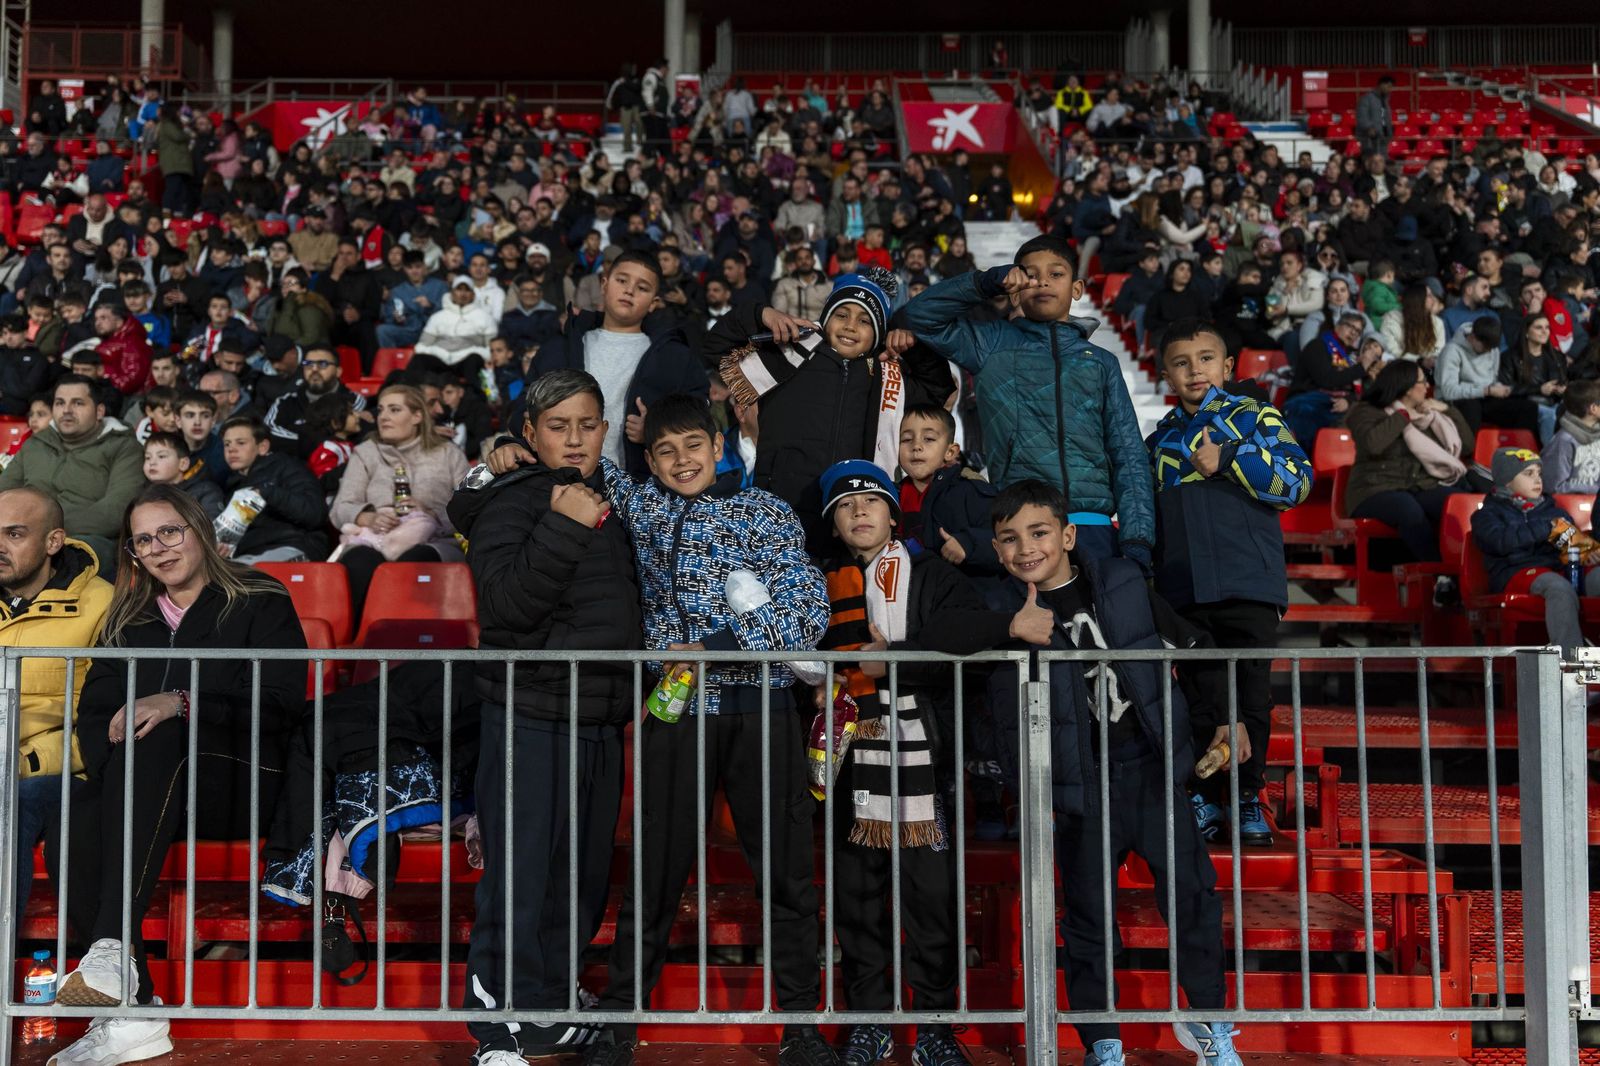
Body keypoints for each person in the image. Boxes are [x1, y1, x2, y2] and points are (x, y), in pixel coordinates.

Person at [583, 393, 831, 1066]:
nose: (681, 460)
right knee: (654, 875)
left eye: (693, 445)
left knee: (785, 876)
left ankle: (802, 1024)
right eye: (664, 451)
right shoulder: (643, 506)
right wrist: (499, 457)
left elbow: (806, 615)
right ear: (651, 460)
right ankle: (619, 1022)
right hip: (676, 714)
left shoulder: (765, 511)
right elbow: (579, 462)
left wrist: (717, 646)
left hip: (762, 710)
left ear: (719, 446)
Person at [983, 479, 1240, 1066]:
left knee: (1193, 898)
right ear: (997, 552)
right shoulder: (1002, 612)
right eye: (1010, 539)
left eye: (1040, 532)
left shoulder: (1123, 582)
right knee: (1089, 919)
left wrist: (1225, 718)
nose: (1027, 548)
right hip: (1079, 785)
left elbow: (1193, 647)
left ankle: (1210, 1026)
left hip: (1148, 770)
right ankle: (1104, 1043)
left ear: (1068, 535)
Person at [46, 484, 303, 1065]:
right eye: (143, 540)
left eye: (170, 531)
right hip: (145, 789)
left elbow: (282, 702)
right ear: (133, 555)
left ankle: (112, 952)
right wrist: (120, 770)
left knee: (160, 732)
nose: (159, 548)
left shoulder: (258, 596)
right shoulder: (128, 618)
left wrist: (182, 702)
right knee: (73, 816)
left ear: (199, 530)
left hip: (241, 778)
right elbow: (95, 714)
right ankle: (131, 1014)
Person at [813, 461, 1045, 1066]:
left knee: (931, 899)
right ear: (834, 525)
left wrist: (893, 659)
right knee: (857, 898)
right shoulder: (817, 584)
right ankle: (869, 1021)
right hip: (848, 757)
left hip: (927, 757)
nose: (859, 512)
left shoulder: (933, 575)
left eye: (871, 501)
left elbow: (956, 637)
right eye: (844, 505)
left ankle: (936, 1028)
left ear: (894, 512)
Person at [446, 370, 643, 1064]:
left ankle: (545, 1009)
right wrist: (561, 522)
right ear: (529, 434)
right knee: (521, 878)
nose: (575, 438)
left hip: (598, 717)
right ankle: (495, 1034)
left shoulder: (614, 499)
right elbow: (505, 607)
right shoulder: (514, 499)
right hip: (529, 713)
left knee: (577, 881)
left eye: (588, 424)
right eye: (558, 425)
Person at [1148, 320, 1313, 847]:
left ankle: (1246, 796)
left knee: (1252, 697)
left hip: (1249, 583)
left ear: (1227, 367)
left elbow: (1297, 482)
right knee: (1199, 695)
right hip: (1184, 587)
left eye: (1205, 358)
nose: (1194, 369)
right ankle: (1202, 798)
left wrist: (1233, 458)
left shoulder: (1256, 416)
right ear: (1165, 374)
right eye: (1180, 361)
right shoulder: (1158, 441)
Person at [903, 235, 1155, 568]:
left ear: (1077, 289)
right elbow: (918, 316)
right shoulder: (992, 343)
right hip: (1022, 526)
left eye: (1056, 273)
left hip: (1093, 526)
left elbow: (1128, 451)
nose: (1043, 282)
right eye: (1031, 275)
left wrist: (1137, 539)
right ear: (1017, 287)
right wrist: (984, 283)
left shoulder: (1101, 361)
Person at [709, 269, 955, 551]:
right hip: (779, 513)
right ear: (826, 319)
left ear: (878, 332)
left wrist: (914, 348)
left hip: (848, 526)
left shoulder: (887, 379)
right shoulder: (788, 356)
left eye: (864, 320)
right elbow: (714, 348)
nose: (851, 326)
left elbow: (939, 389)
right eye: (842, 315)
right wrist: (761, 314)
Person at [0, 487, 114, 930]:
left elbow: (105, 721)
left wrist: (23, 762)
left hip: (58, 774)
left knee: (9, 805)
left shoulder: (103, 605)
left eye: (14, 534)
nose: (1, 547)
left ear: (53, 542)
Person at [497, 251, 708, 479]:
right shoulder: (559, 348)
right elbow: (523, 410)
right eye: (622, 280)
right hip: (560, 484)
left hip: (638, 487)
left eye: (643, 287)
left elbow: (699, 413)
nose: (629, 290)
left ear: (654, 303)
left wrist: (656, 428)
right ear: (604, 284)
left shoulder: (674, 357)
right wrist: (515, 440)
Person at [329, 384, 469, 619]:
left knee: (415, 562)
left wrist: (431, 513)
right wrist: (368, 517)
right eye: (381, 410)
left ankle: (410, 640)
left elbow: (470, 508)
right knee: (361, 560)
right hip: (374, 538)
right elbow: (341, 507)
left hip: (434, 538)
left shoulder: (448, 454)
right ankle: (359, 642)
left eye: (394, 410)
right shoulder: (366, 452)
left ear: (417, 416)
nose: (383, 417)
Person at [1344, 360, 1473, 593]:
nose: (1427, 387)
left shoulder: (1429, 414)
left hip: (1418, 485)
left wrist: (1447, 410)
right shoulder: (1365, 411)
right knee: (1408, 510)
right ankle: (1442, 577)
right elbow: (1374, 444)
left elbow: (1467, 446)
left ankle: (1470, 573)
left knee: (1458, 505)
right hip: (1374, 488)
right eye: (1422, 381)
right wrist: (1403, 415)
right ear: (1404, 386)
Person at [0, 375, 144, 567]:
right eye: (60, 403)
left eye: (78, 403)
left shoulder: (124, 447)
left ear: (99, 411)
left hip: (86, 540)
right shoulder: (36, 443)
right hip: (22, 536)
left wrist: (42, 531)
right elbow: (5, 493)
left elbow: (117, 512)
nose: (66, 410)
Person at [1472, 448, 1600, 655]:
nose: (1537, 479)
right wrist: (1546, 528)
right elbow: (1499, 541)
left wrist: (1586, 552)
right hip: (1516, 573)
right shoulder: (1487, 515)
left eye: (1539, 473)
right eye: (1528, 473)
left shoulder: (1553, 511)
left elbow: (1572, 546)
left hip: (1558, 569)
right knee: (1558, 587)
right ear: (1506, 480)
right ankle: (1571, 663)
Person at [895, 402, 1001, 581]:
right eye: (906, 439)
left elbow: (1007, 541)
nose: (916, 446)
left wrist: (969, 544)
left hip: (966, 596)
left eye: (928, 439)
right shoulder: (891, 496)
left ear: (950, 452)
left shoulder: (970, 490)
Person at [218, 415, 329, 564]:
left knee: (239, 577)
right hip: (249, 556)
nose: (231, 449)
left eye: (241, 443)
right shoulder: (232, 487)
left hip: (294, 545)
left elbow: (315, 514)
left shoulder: (287, 467)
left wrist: (267, 492)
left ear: (262, 447)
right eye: (227, 444)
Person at [1282, 312, 1382, 448]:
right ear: (1338, 326)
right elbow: (1326, 380)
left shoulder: (1347, 358)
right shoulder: (1317, 346)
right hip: (1306, 401)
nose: (1353, 333)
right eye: (1350, 327)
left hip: (1332, 405)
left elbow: (1354, 391)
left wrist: (1347, 401)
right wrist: (1362, 367)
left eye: (1358, 331)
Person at [1436, 317, 1539, 437]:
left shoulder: (1493, 349)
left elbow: (1492, 378)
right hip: (1456, 400)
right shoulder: (1452, 351)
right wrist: (1486, 391)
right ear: (1473, 338)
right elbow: (1449, 391)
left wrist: (1499, 388)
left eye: (1492, 348)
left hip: (1485, 396)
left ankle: (1520, 449)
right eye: (1485, 348)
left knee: (1528, 408)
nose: (1488, 351)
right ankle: (1469, 452)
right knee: (1472, 408)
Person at [263, 344, 369, 460]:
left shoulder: (354, 401)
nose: (314, 369)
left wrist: (300, 434)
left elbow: (353, 438)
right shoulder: (285, 402)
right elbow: (268, 433)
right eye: (308, 364)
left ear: (338, 371)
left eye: (322, 364)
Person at [1500, 313, 1567, 443]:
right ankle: (1549, 457)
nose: (1544, 331)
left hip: (1555, 403)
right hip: (1527, 404)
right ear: (1526, 332)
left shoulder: (1557, 357)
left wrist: (1562, 389)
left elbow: (1564, 381)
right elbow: (1506, 389)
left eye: (1547, 327)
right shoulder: (1510, 357)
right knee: (1549, 415)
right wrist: (1539, 389)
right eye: (1538, 328)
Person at [413, 278, 499, 373]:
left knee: (474, 360)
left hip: (467, 361)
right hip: (440, 360)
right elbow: (421, 346)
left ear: (473, 295)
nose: (462, 294)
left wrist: (472, 352)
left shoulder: (485, 317)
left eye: (467, 290)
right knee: (419, 359)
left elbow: (491, 349)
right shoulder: (437, 317)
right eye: (459, 289)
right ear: (452, 294)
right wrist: (440, 353)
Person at [143, 430, 225, 522]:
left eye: (161, 456)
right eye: (147, 458)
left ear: (183, 464)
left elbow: (212, 528)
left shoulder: (206, 491)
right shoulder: (144, 493)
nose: (152, 462)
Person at [1542, 381, 1600, 495]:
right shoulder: (1563, 441)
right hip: (1569, 507)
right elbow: (1554, 486)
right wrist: (1594, 489)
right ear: (1593, 408)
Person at [1380, 283, 1446, 368]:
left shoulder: (1437, 323)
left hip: (1427, 369)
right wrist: (1419, 360)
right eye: (1429, 295)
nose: (1433, 299)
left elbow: (1438, 348)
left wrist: (1431, 357)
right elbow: (1391, 350)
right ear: (1417, 299)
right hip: (1399, 367)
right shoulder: (1391, 320)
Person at [1355, 77, 1394, 158]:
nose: (1390, 89)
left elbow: (1386, 118)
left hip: (1383, 138)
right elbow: (1362, 116)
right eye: (1388, 86)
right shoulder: (1366, 99)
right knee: (1370, 161)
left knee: (1382, 161)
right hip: (1370, 139)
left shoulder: (1385, 101)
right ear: (1381, 85)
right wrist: (1369, 128)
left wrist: (1389, 134)